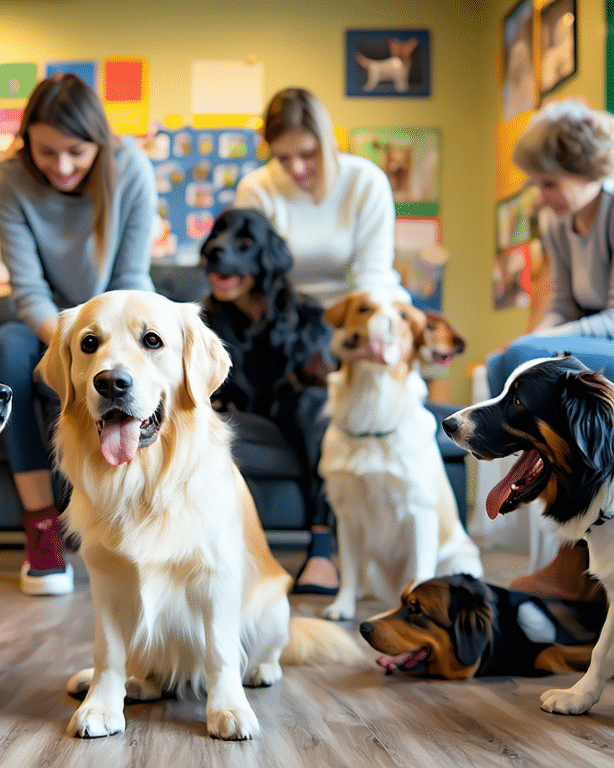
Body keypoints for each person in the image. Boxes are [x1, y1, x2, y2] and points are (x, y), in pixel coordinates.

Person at [488, 99, 614, 601]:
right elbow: (560, 308)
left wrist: (535, 345)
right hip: (607, 351)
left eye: (548, 183)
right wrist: (527, 343)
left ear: (586, 171)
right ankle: (551, 513)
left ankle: (567, 552)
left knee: (521, 357)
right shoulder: (559, 224)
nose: (541, 195)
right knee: (502, 360)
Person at [0, 72, 157, 596]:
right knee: (6, 346)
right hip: (51, 327)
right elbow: (29, 292)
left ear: (98, 144)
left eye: (76, 152)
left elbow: (130, 280)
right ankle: (42, 527)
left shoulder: (131, 171)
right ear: (26, 142)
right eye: (46, 151)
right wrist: (73, 345)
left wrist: (104, 349)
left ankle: (136, 528)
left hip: (120, 324)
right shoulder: (7, 179)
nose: (60, 166)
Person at [234, 86, 404, 595]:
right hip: (284, 329)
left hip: (353, 322)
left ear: (329, 142)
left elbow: (371, 277)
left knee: (327, 405)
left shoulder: (364, 182)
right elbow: (256, 280)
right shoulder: (258, 188)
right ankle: (306, 548)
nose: (297, 168)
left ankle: (329, 547)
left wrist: (345, 343)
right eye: (284, 157)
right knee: (307, 402)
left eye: (308, 154)